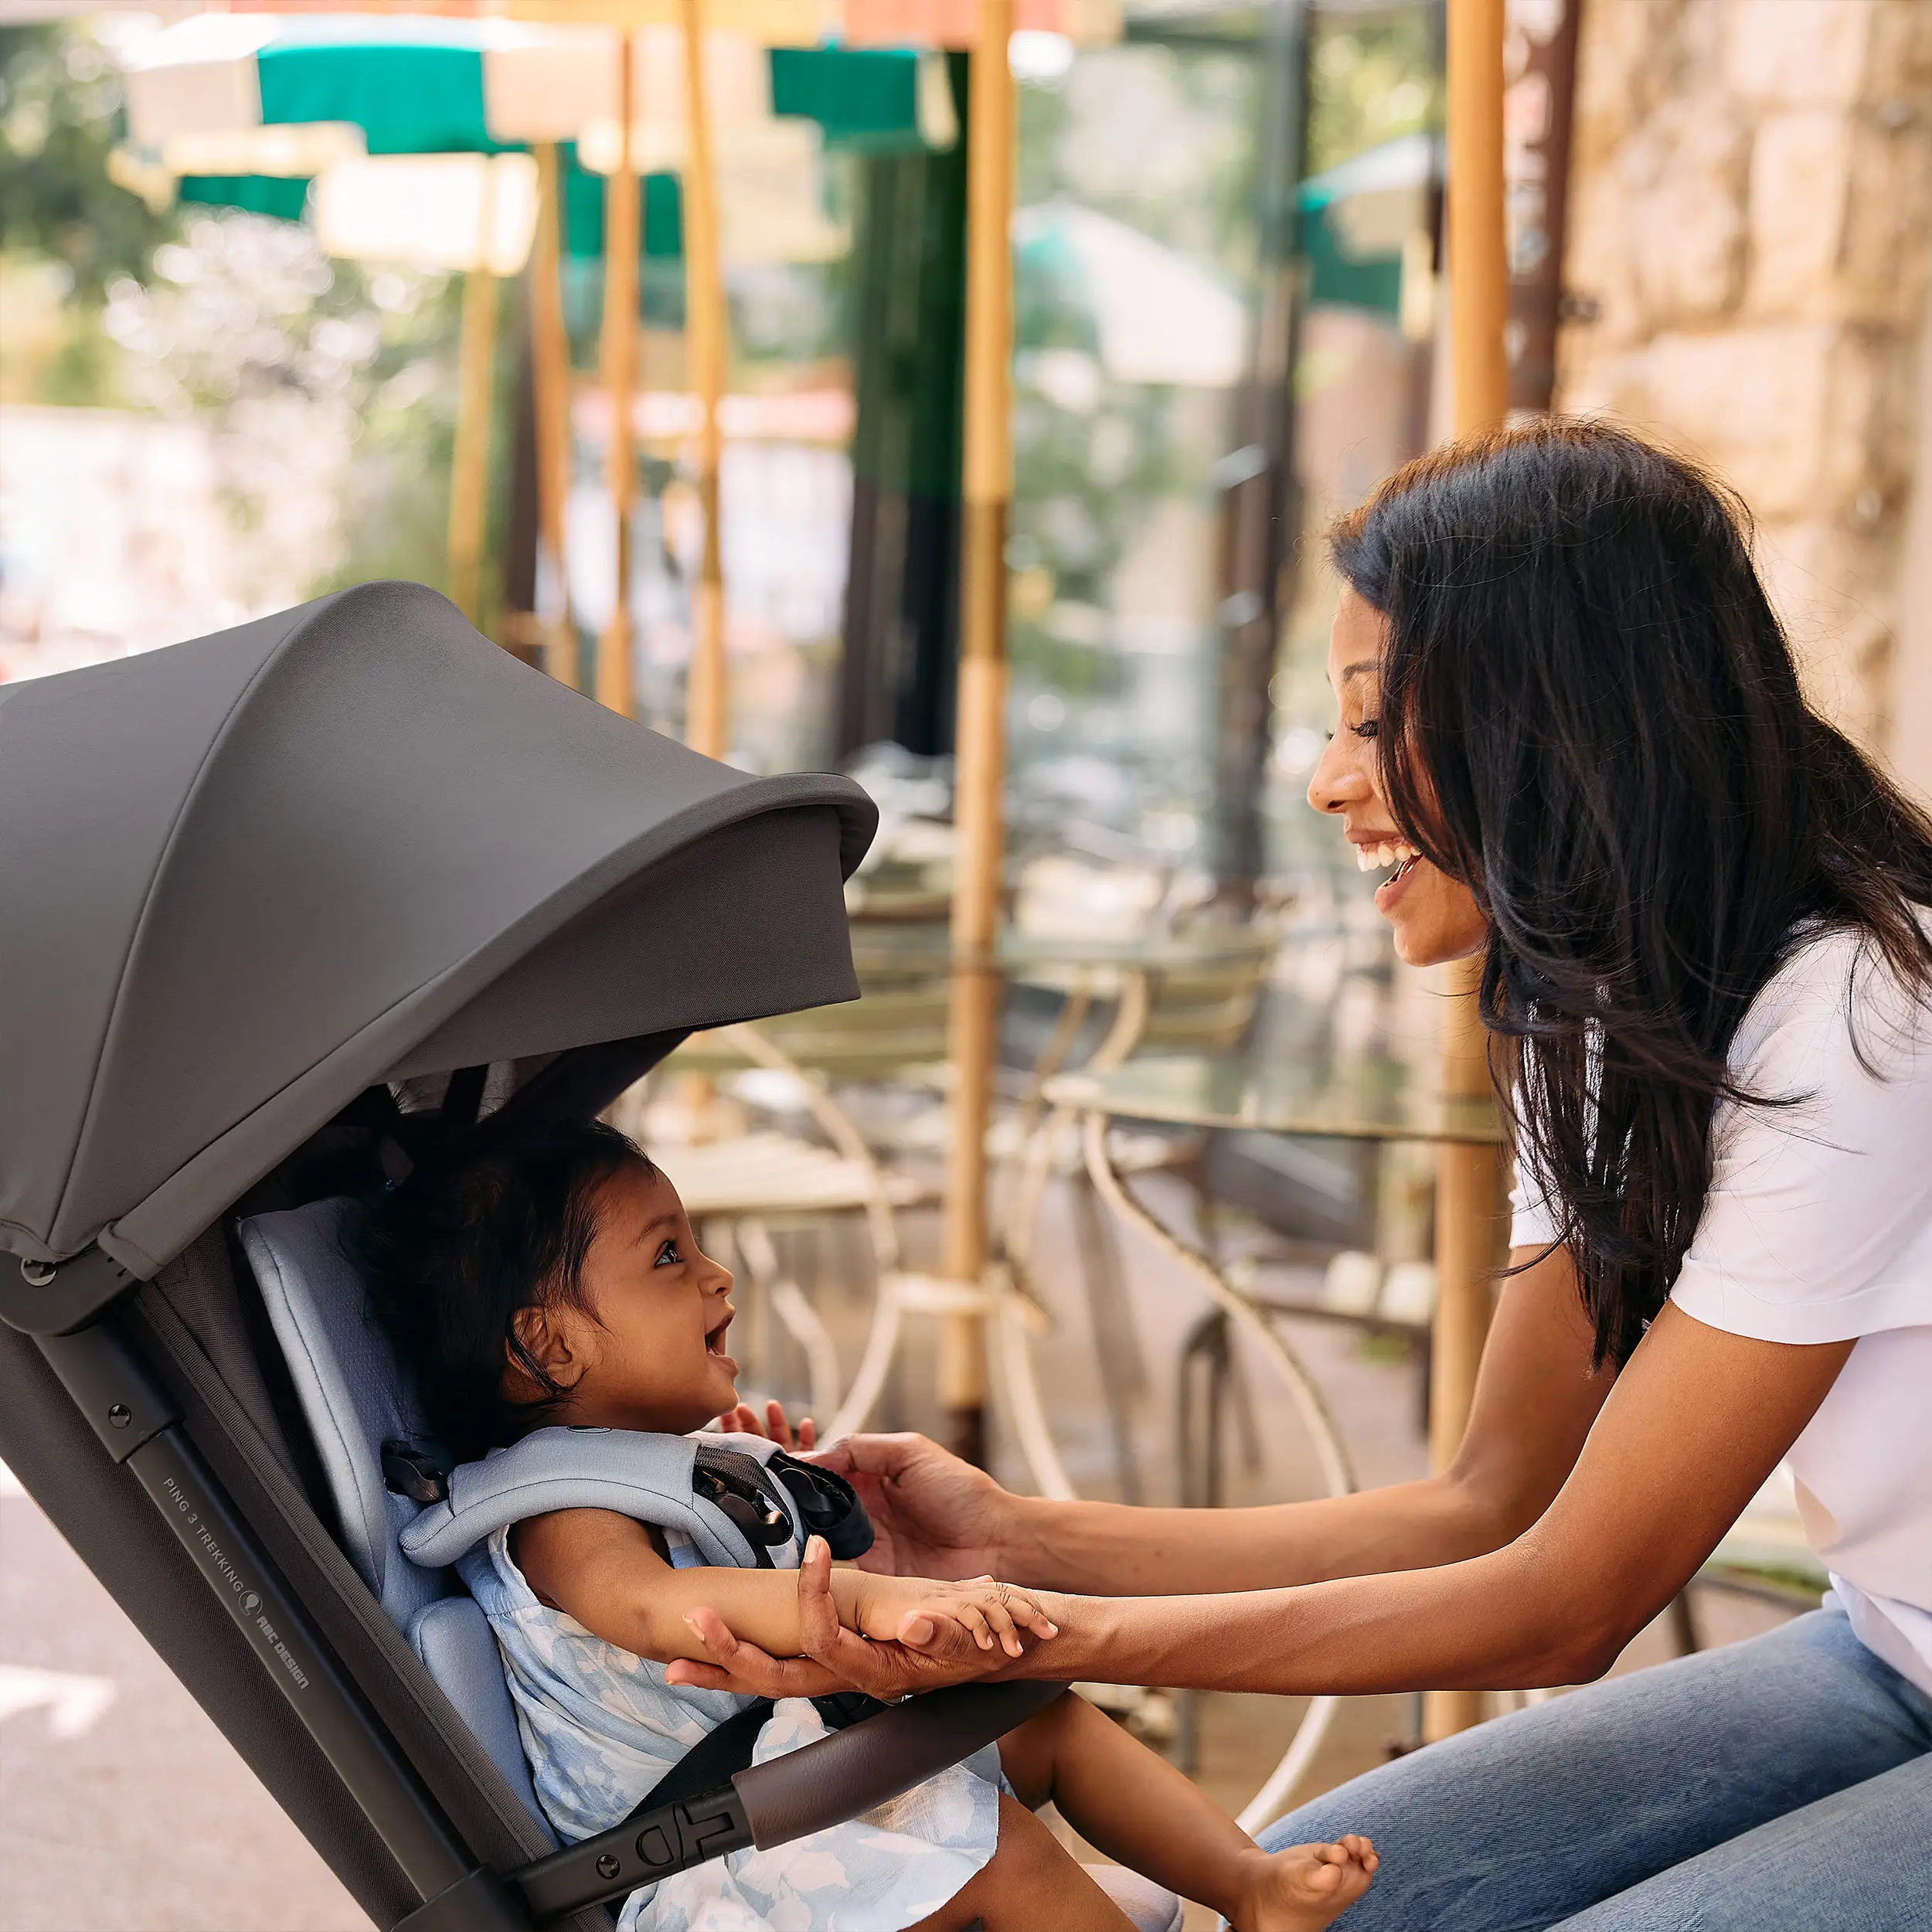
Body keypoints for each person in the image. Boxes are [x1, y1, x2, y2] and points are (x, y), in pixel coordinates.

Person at [664, 422, 1932, 1931]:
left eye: (1371, 716)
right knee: (1327, 1898)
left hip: (1883, 1658)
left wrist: (1012, 1635)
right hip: (1884, 1643)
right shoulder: (1589, 1012)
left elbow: (1574, 1596)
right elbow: (1484, 1499)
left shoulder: (1856, 1017)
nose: (1327, 780)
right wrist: (1010, 1542)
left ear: (1558, 726)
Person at [353, 1117, 1379, 1932]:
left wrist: (747, 1495)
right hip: (711, 1871)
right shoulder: (554, 1513)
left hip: (795, 1793)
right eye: (668, 1256)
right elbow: (669, 1607)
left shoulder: (665, 1477)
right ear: (548, 1346)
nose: (719, 1277)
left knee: (1043, 1720)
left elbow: (725, 1558)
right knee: (997, 1851)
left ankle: (1246, 1884)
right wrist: (876, 1600)